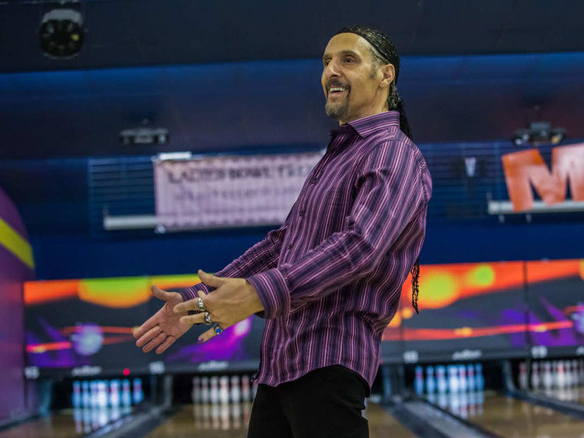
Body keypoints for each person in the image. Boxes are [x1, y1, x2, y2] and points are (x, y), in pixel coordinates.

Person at [133, 25, 432, 437]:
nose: (331, 71)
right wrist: (196, 300)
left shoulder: (394, 152)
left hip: (329, 359)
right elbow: (281, 246)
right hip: (281, 366)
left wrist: (258, 293)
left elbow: (360, 247)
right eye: (326, 62)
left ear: (386, 75)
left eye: (348, 59)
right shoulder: (337, 158)